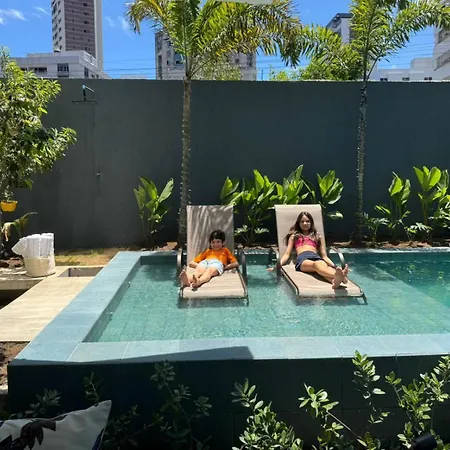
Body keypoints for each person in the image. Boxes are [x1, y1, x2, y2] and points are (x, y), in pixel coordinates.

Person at [272, 211, 349, 289]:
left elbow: (324, 257)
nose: (305, 223)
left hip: (316, 257)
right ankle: (342, 276)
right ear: (298, 223)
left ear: (311, 223)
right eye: (302, 221)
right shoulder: (294, 236)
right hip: (303, 259)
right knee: (315, 265)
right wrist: (276, 266)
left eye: (307, 221)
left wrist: (335, 266)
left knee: (322, 268)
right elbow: (286, 254)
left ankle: (335, 282)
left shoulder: (317, 236)